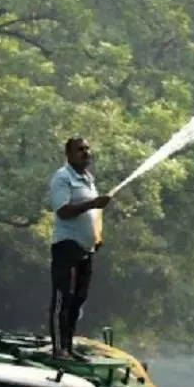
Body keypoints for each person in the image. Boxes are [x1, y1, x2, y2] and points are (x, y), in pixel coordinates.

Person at [48, 136, 111, 360]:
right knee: (64, 297)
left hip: (86, 248)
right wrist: (93, 203)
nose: (86, 153)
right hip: (67, 246)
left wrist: (96, 235)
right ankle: (58, 349)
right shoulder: (62, 178)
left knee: (79, 299)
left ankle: (69, 346)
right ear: (68, 154)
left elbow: (93, 214)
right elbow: (63, 210)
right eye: (80, 150)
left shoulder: (88, 179)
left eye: (87, 149)